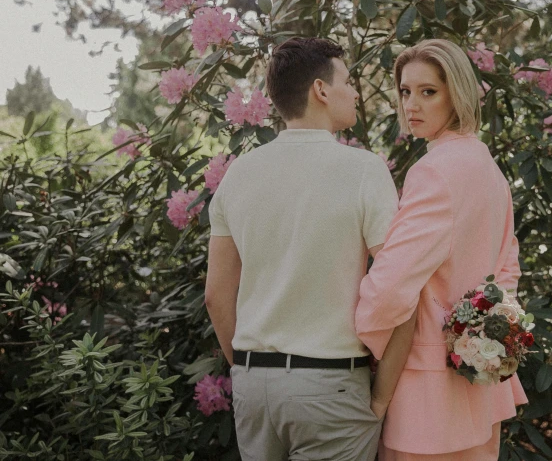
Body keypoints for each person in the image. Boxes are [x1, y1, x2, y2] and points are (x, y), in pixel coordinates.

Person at [205, 37, 401, 461]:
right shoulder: (364, 170)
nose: (355, 91)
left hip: (254, 387)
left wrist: (247, 368)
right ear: (321, 90)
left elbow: (216, 295)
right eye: (347, 81)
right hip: (329, 387)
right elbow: (397, 288)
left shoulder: (237, 175)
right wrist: (382, 396)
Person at [355, 38, 529, 460]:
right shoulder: (489, 169)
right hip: (481, 384)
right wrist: (481, 343)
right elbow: (507, 273)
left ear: (457, 94)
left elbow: (391, 285)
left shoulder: (434, 172)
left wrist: (361, 341)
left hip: (425, 396)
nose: (411, 104)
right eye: (405, 91)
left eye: (428, 91)